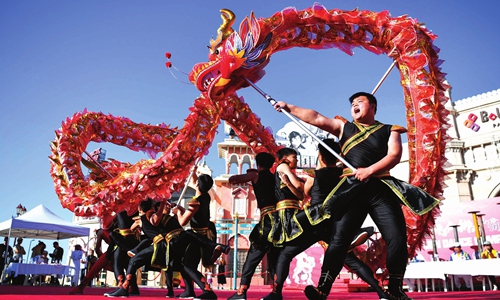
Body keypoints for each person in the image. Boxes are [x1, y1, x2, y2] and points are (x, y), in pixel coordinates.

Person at [274, 92, 439, 300]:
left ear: (373, 107)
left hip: (380, 190)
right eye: (352, 103)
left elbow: (394, 155)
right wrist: (288, 106)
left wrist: (369, 170)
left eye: (359, 102)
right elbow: (315, 117)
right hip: (351, 191)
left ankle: (395, 289)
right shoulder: (344, 128)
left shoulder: (390, 130)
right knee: (339, 241)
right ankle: (322, 289)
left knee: (396, 238)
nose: (354, 105)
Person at [261, 139, 388, 300]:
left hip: (314, 223)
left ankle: (276, 294)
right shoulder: (344, 176)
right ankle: (381, 291)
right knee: (349, 259)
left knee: (285, 254)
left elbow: (304, 192)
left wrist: (291, 183)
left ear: (320, 157)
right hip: (334, 225)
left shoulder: (315, 176)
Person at [106, 198, 218, 299]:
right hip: (170, 245)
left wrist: (163, 204)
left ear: (140, 208)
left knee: (133, 261)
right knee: (183, 267)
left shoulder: (151, 215)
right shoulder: (147, 217)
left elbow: (155, 220)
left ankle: (124, 289)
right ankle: (198, 290)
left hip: (162, 245)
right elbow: (134, 227)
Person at [228, 152, 279, 300]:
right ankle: (277, 292)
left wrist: (251, 173)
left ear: (258, 164)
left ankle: (241, 291)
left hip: (267, 220)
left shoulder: (257, 175)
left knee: (253, 256)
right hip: (280, 220)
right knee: (275, 257)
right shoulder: (275, 177)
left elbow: (233, 179)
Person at [173, 170, 230, 297]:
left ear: (198, 185)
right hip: (204, 234)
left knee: (187, 265)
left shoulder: (195, 202)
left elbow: (183, 221)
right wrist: (193, 171)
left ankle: (207, 290)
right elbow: (194, 182)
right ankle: (189, 290)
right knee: (186, 264)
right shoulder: (206, 197)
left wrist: (177, 212)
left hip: (196, 238)